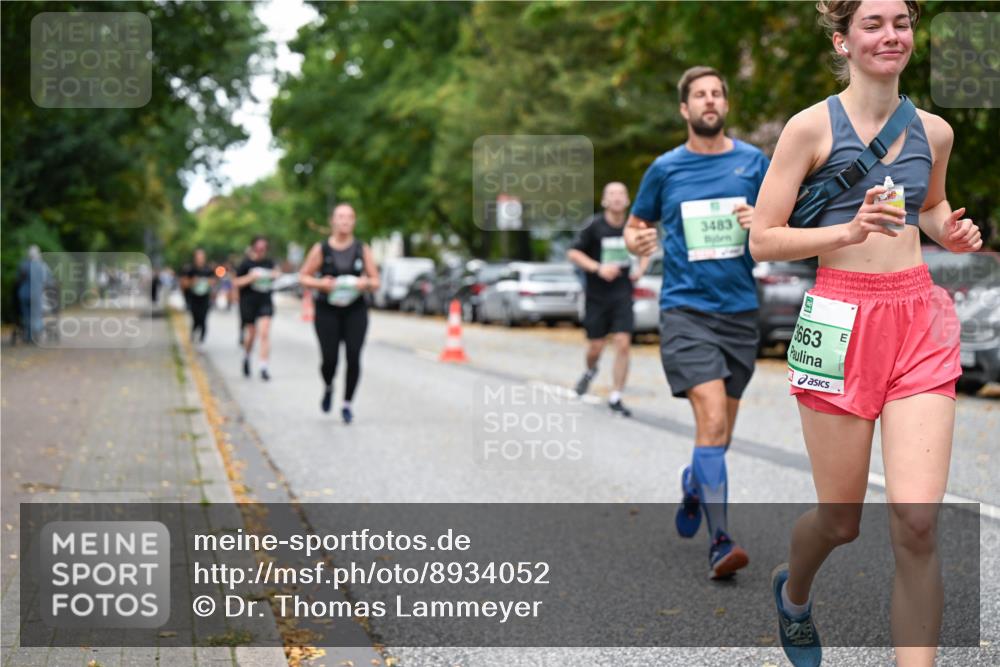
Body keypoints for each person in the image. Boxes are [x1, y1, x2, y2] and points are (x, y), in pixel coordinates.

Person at [749, 2, 982, 665]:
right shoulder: (808, 128)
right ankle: (793, 591)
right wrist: (846, 232)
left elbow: (929, 206)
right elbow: (764, 238)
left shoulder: (933, 132)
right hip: (837, 318)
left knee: (915, 521)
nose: (890, 34)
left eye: (901, 22)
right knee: (841, 521)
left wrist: (949, 230)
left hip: (917, 319)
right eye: (873, 23)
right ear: (843, 41)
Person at [624, 66, 770, 579]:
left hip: (739, 312)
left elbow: (783, 223)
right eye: (699, 96)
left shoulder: (755, 162)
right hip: (685, 311)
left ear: (724, 105)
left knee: (720, 434)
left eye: (716, 94)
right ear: (685, 110)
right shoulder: (665, 169)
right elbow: (636, 225)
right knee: (709, 421)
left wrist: (763, 221)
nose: (709, 101)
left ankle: (694, 483)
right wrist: (636, 240)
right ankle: (721, 542)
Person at [568, 182, 649, 416]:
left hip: (622, 295)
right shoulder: (594, 226)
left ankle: (616, 395)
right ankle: (590, 370)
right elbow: (573, 253)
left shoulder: (633, 226)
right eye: (611, 194)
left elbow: (646, 250)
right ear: (604, 200)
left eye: (621, 194)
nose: (616, 198)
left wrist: (641, 269)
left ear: (626, 200)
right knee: (596, 346)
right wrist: (597, 268)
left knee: (623, 343)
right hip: (597, 296)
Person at [298, 203, 380, 424]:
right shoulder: (321, 249)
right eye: (340, 217)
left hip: (355, 310)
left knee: (353, 356)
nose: (345, 221)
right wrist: (320, 283)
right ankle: (328, 385)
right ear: (332, 221)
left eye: (349, 217)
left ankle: (347, 403)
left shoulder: (362, 249)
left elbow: (376, 281)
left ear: (354, 221)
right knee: (329, 360)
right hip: (327, 311)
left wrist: (365, 283)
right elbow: (303, 276)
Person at [234, 237, 280, 381]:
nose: (261, 251)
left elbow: (277, 274)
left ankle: (263, 367)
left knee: (265, 333)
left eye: (264, 248)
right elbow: (236, 282)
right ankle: (247, 357)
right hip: (248, 302)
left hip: (265, 301)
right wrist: (251, 277)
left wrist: (274, 274)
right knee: (251, 334)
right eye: (258, 248)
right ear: (253, 248)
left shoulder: (269, 263)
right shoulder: (246, 263)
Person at [16, 245, 53, 344]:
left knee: (26, 316)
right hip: (36, 295)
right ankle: (35, 336)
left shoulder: (23, 265)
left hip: (23, 294)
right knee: (36, 316)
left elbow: (18, 280)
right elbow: (49, 282)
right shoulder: (42, 266)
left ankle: (28, 337)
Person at [179, 249, 216, 343]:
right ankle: (193, 334)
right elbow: (183, 284)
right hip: (193, 298)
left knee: (203, 319)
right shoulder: (190, 269)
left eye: (202, 257)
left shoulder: (208, 269)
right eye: (198, 257)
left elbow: (213, 283)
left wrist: (209, 283)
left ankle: (201, 340)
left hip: (205, 298)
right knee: (196, 318)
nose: (200, 259)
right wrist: (192, 282)